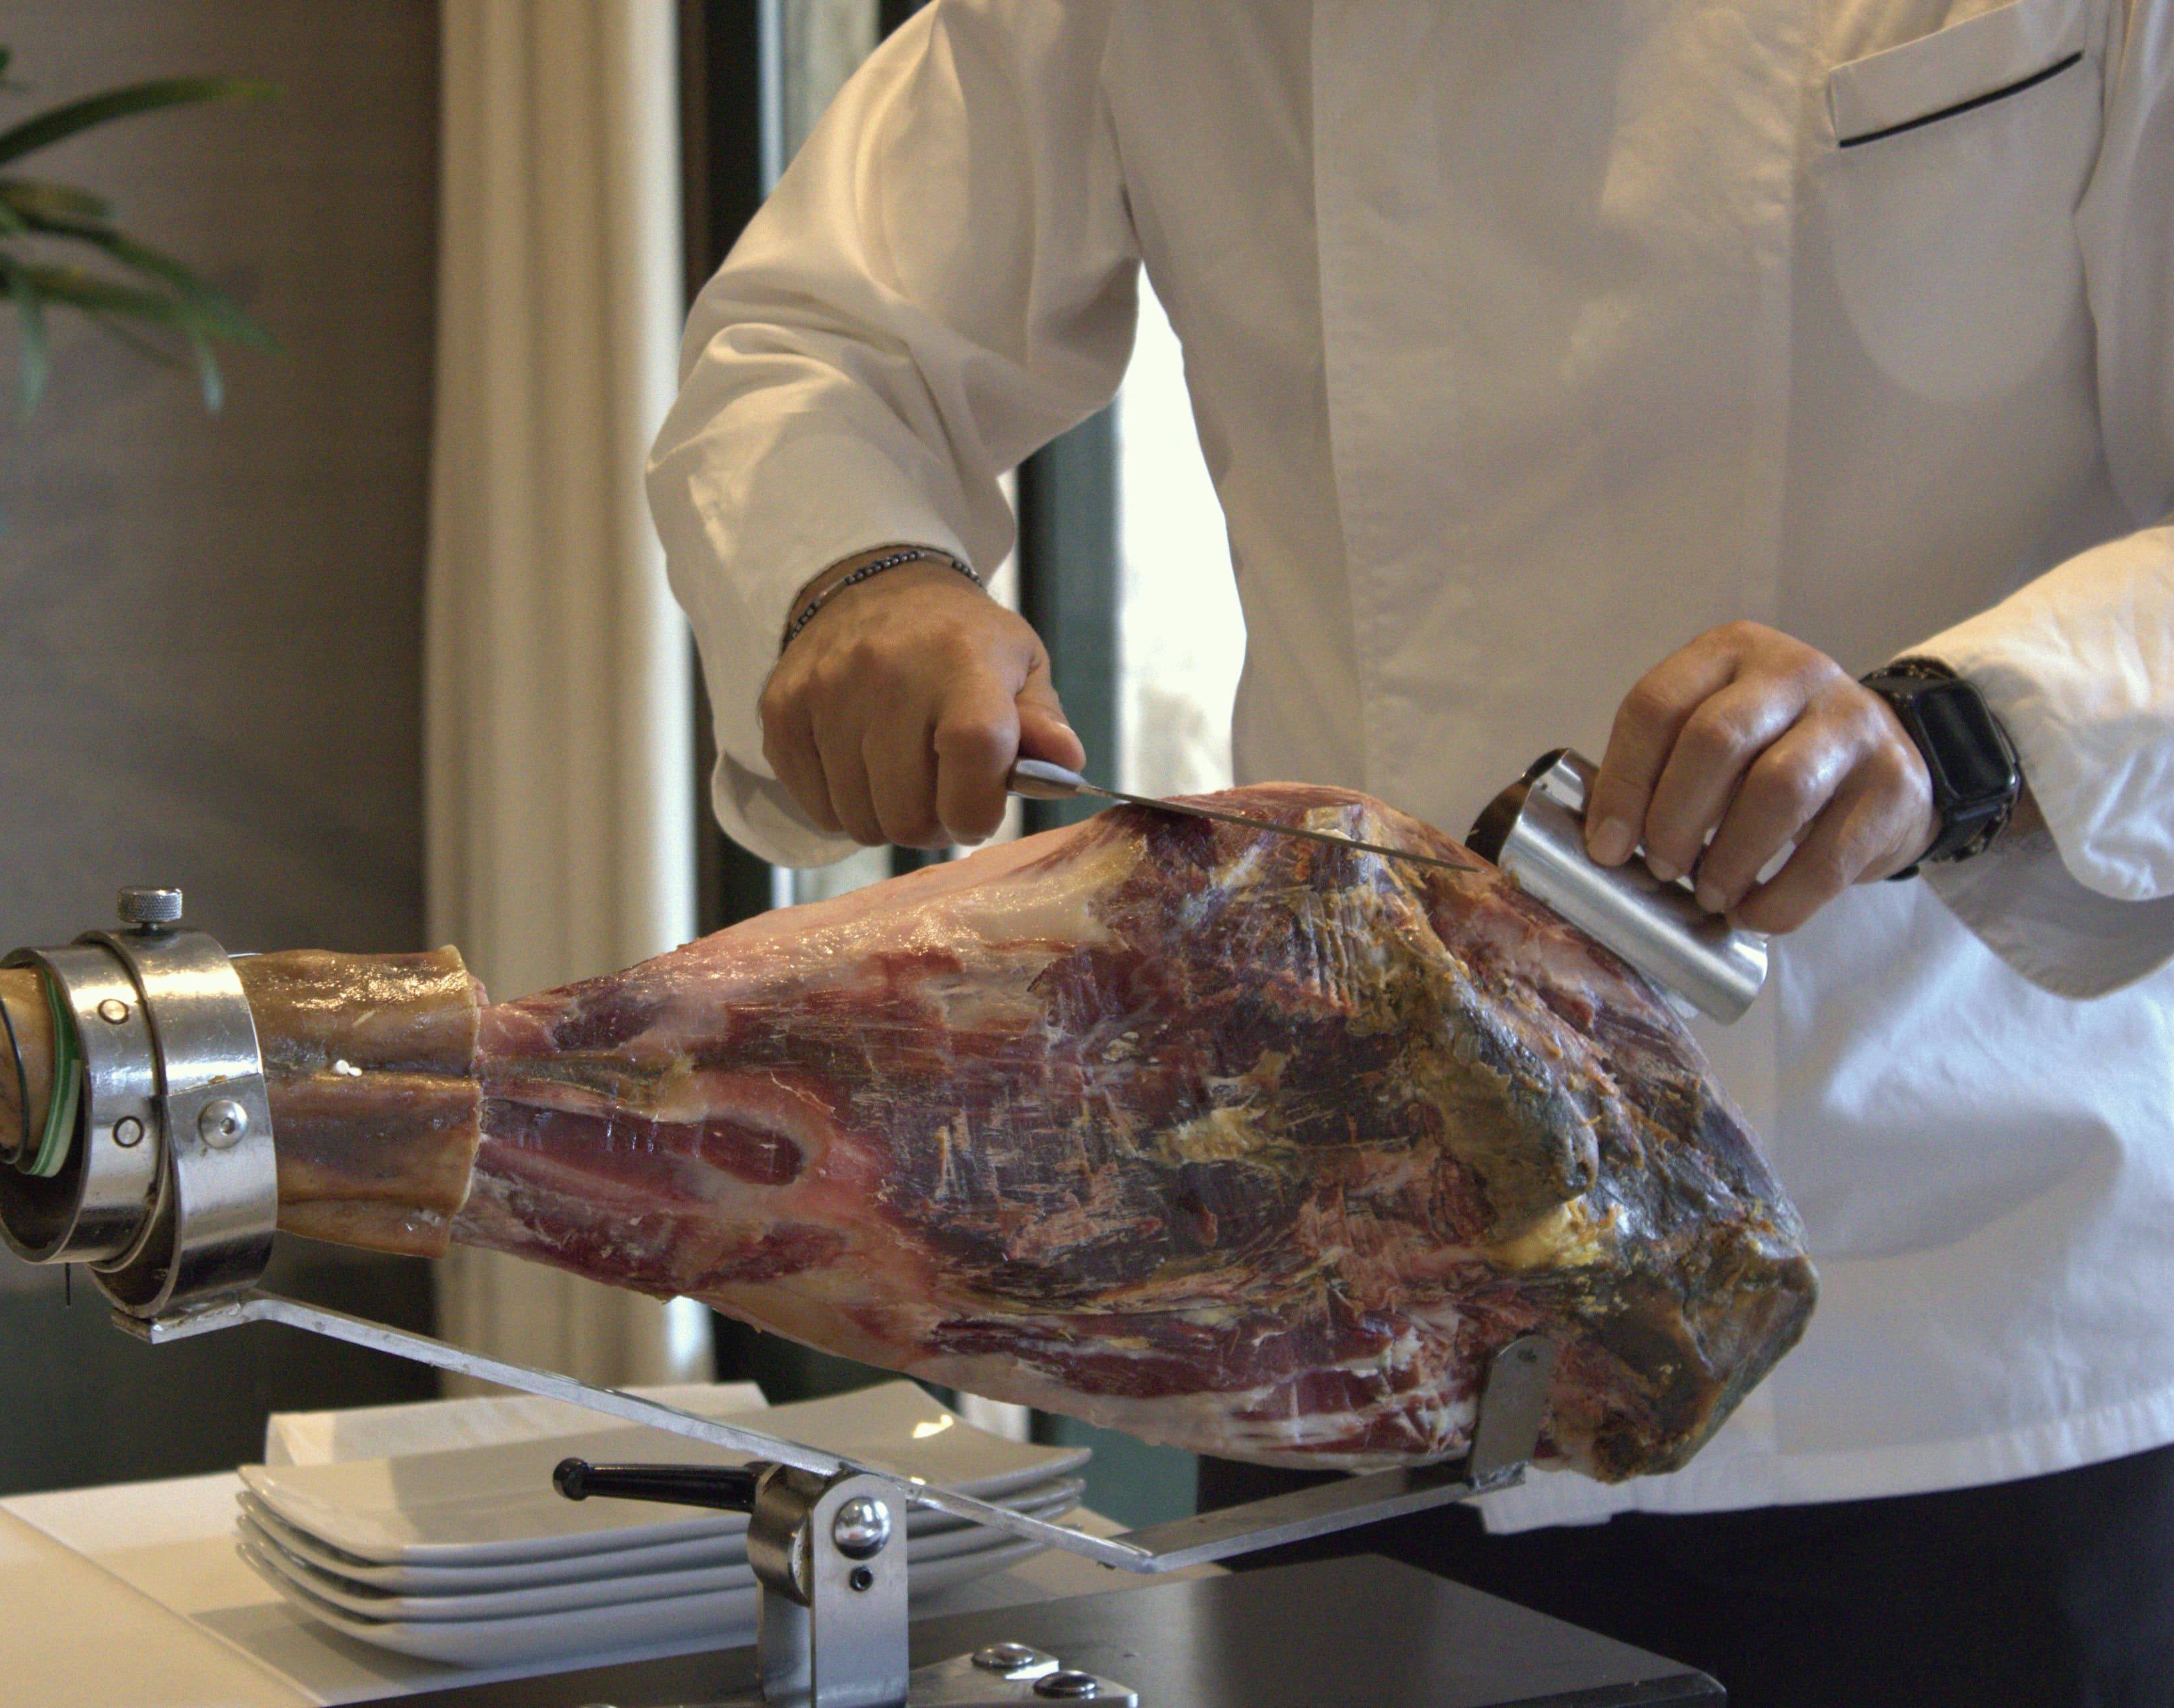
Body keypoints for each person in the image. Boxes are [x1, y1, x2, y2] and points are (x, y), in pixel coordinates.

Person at [646, 3, 2174, 1700]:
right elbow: (822, 338)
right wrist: (858, 574)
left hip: (1976, 1313)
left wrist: (1964, 730)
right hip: (1361, 1307)